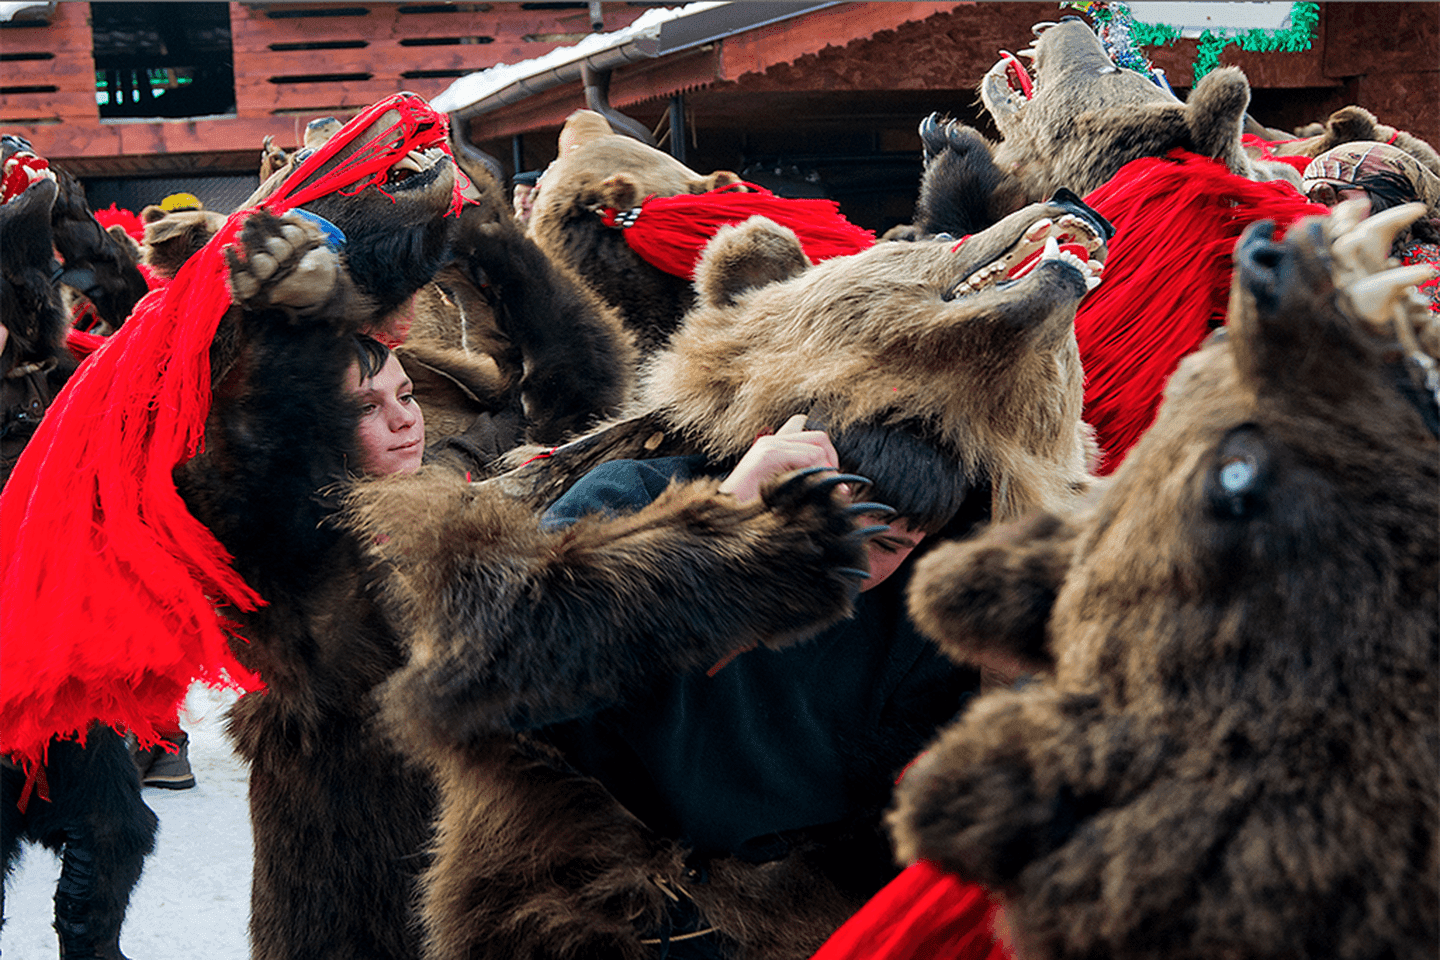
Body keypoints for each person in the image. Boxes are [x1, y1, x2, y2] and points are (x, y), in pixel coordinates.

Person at [513, 412, 982, 957]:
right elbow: (507, 658)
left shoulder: (921, 623)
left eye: (889, 545)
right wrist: (711, 532)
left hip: (768, 917)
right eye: (837, 511)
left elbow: (893, 818)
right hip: (564, 870)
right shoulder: (638, 496)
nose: (853, 556)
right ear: (776, 456)